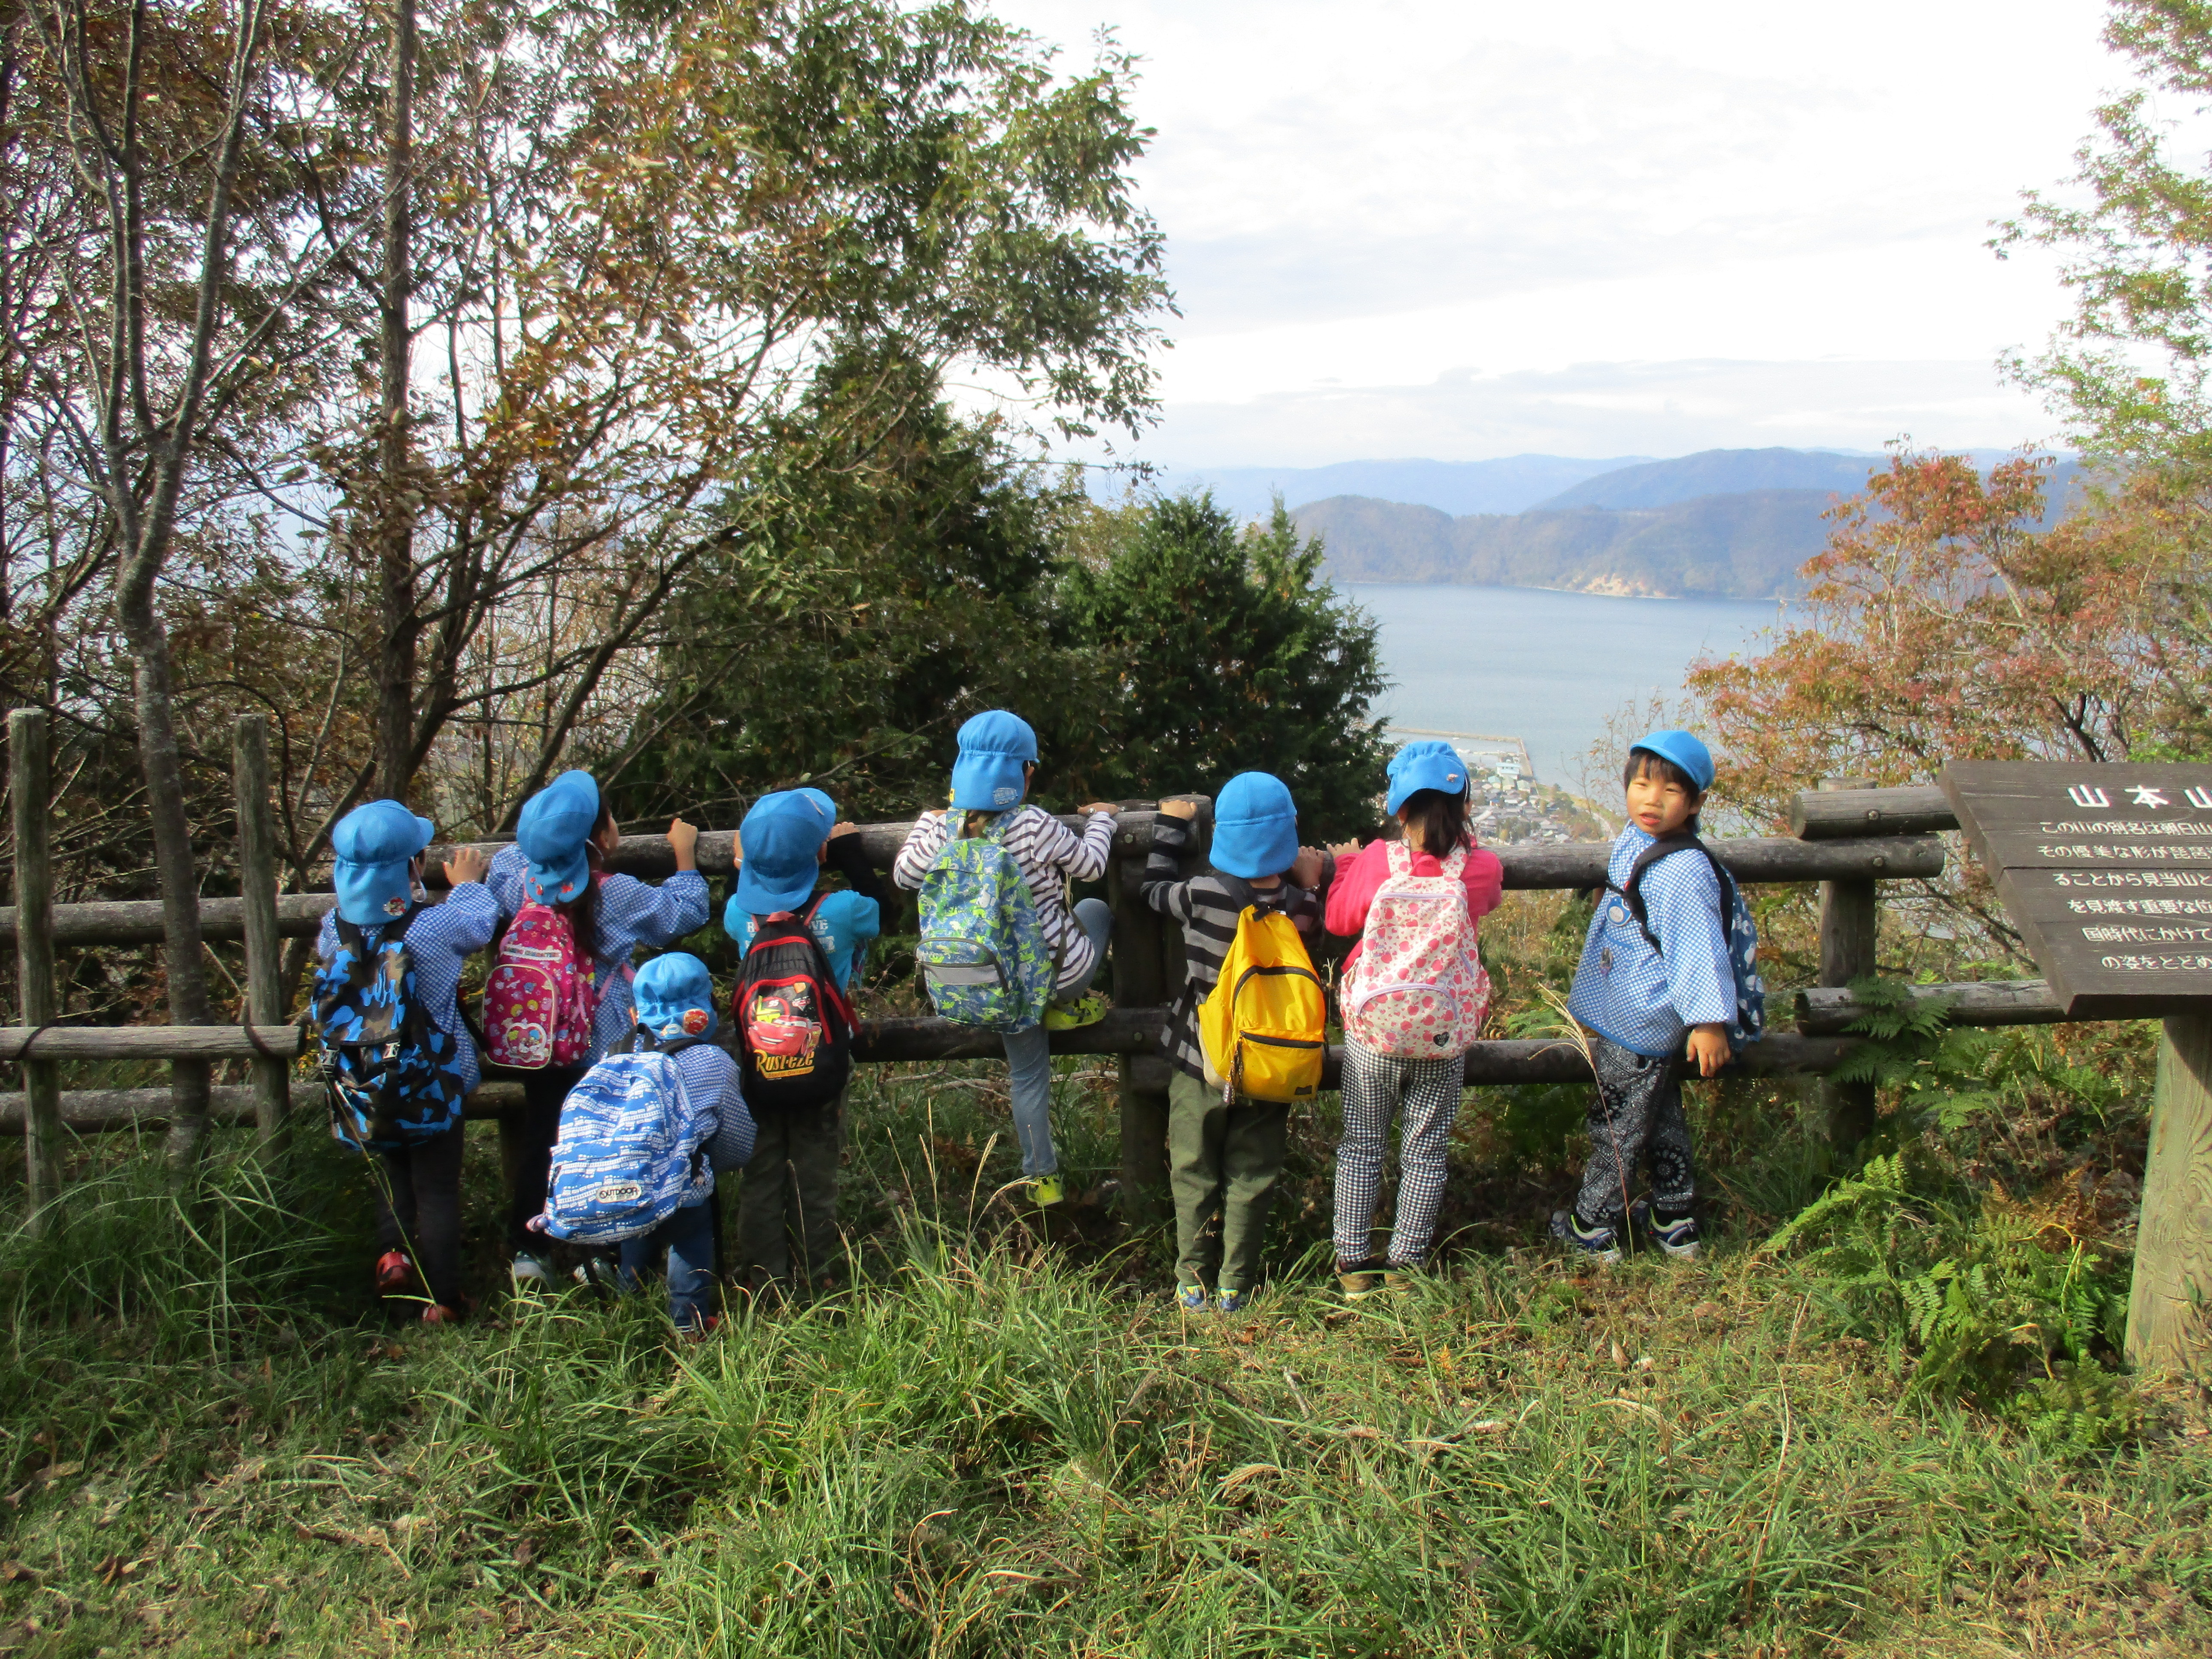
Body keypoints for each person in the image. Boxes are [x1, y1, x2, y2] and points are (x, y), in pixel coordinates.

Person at [488, 770, 708, 1287]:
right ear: (601, 836)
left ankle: (529, 1251)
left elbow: (504, 861)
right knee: (606, 1144)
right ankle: (602, 1254)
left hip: (535, 1044)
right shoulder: (618, 894)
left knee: (544, 1139)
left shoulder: (512, 879)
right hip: (599, 1047)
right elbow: (685, 912)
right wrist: (684, 856)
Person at [893, 711, 1120, 1207]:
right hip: (1056, 977)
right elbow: (1091, 865)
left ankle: (1042, 1183)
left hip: (985, 983)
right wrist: (1102, 819)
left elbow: (904, 877)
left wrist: (922, 824)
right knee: (1095, 909)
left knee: (1026, 1077)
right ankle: (1062, 1004)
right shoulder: (1034, 823)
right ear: (1026, 772)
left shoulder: (943, 830)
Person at [1142, 773, 1333, 1313]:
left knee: (1192, 1165)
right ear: (1286, 837)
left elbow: (1152, 890)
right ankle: (1235, 1286)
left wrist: (1169, 829)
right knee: (1253, 1172)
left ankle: (1191, 1283)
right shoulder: (1301, 908)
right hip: (1271, 1063)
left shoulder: (1204, 895)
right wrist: (1311, 881)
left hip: (1202, 1058)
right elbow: (1316, 936)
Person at [1323, 741, 1504, 1298]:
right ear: (1464, 805)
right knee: (1425, 1155)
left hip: (1374, 1035)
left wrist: (1344, 864)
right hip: (1442, 1038)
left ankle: (1353, 1266)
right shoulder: (1480, 867)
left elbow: (1337, 918)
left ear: (1400, 810)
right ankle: (1406, 1267)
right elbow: (1489, 899)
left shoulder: (1378, 859)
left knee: (1361, 1145)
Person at [1553, 729, 1735, 1266]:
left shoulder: (1681, 871)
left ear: (1696, 802)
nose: (1651, 800)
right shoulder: (1642, 841)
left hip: (1643, 1016)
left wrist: (1709, 1022)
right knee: (1659, 1117)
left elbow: (1697, 948)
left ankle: (1592, 1226)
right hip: (1638, 1015)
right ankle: (1674, 1219)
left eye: (1670, 791)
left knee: (1616, 1126)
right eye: (1640, 785)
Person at [316, 800, 499, 1323]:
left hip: (364, 1081)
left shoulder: (333, 929)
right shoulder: (432, 929)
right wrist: (466, 881)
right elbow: (479, 923)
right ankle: (445, 1301)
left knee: (393, 1181)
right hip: (431, 1082)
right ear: (412, 867)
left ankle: (394, 1263)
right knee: (436, 1189)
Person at [724, 788, 892, 1294]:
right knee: (816, 1180)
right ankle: (822, 1280)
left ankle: (765, 1281)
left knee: (762, 1176)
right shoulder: (842, 910)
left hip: (759, 1069)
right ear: (820, 853)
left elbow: (743, 893)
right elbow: (883, 909)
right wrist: (850, 854)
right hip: (822, 1067)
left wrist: (744, 860)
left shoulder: (740, 915)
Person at [612, 953, 756, 1331]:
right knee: (690, 1244)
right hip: (685, 1182)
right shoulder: (712, 1060)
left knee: (637, 1238)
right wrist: (717, 1167)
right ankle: (688, 1322)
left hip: (630, 1178)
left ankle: (626, 1310)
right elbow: (738, 1136)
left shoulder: (618, 1053)